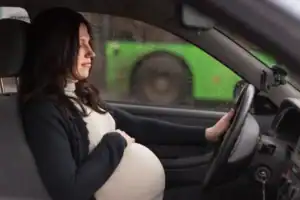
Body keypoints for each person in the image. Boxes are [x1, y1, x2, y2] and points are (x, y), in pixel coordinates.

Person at [18, 7, 235, 200]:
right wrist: (116, 142)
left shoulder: (78, 95)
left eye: (89, 43)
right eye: (80, 44)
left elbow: (138, 125)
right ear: (56, 49)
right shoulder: (43, 111)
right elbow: (69, 192)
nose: (91, 53)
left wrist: (206, 134)